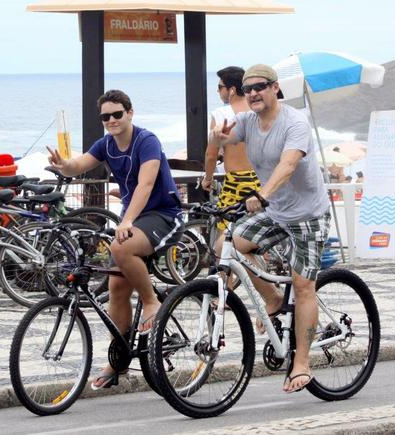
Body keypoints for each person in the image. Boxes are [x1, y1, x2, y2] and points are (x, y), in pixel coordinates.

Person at [46, 89, 183, 390]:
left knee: (121, 246)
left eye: (117, 114)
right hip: (133, 217)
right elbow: (80, 165)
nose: (111, 120)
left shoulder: (146, 141)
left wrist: (128, 220)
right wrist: (63, 165)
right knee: (117, 288)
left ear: (130, 113)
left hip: (162, 214)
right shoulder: (106, 144)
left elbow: (146, 184)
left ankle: (151, 302)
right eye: (105, 116)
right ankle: (118, 361)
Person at [211, 64, 330, 393]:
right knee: (227, 245)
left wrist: (262, 195)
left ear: (275, 88)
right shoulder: (248, 121)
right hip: (277, 212)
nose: (253, 93)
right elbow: (222, 137)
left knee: (303, 284)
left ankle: (302, 363)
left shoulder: (294, 122)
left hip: (307, 215)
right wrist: (216, 137)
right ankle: (274, 299)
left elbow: (288, 164)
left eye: (260, 87)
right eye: (248, 89)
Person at [202, 66, 262, 257]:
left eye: (220, 87)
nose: (218, 91)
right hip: (262, 180)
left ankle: (225, 284)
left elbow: (211, 154)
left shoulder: (221, 114)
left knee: (225, 239)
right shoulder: (257, 111)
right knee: (255, 232)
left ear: (232, 90)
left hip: (236, 183)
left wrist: (207, 179)